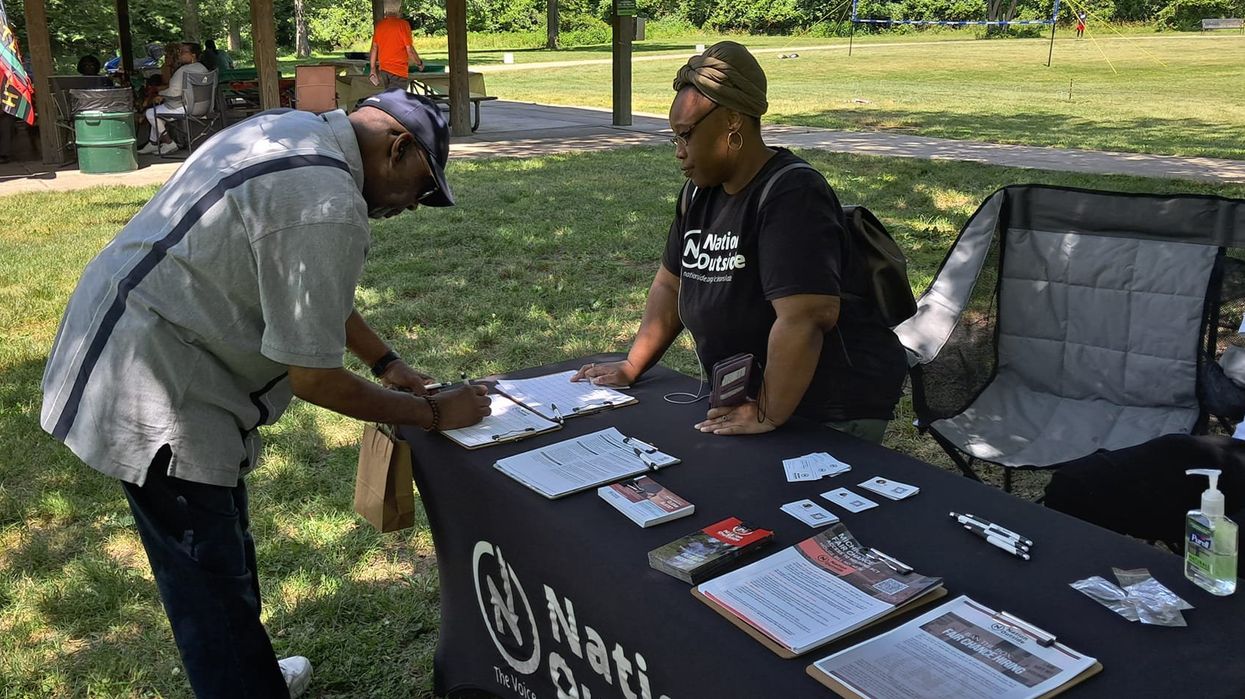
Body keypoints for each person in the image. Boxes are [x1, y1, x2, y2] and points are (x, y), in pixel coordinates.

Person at [41, 88, 490, 698]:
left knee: (221, 544)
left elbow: (304, 290)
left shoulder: (290, 130)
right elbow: (314, 379)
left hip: (137, 342)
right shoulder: (325, 202)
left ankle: (244, 668)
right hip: (159, 388)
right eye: (422, 185)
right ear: (398, 147)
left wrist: (386, 361)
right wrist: (433, 412)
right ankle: (237, 676)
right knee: (205, 577)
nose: (416, 203)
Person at [572, 42, 907, 443]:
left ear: (732, 121)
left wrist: (768, 411)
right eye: (673, 139)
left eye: (686, 136)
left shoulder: (792, 193)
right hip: (757, 397)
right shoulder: (697, 193)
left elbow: (806, 316)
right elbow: (670, 284)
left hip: (828, 406)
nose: (679, 153)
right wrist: (631, 366)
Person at [137, 42, 208, 155]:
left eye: (183, 52)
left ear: (193, 55)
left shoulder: (183, 70)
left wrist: (160, 94)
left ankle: (169, 143)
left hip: (185, 107)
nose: (180, 55)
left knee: (151, 113)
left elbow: (173, 93)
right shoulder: (203, 68)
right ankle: (153, 143)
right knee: (158, 113)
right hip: (203, 106)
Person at [369, 0, 424, 89]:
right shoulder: (403, 25)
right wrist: (419, 63)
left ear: (385, 10)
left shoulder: (380, 26)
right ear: (399, 9)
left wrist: (372, 70)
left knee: (389, 98)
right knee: (398, 100)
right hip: (399, 70)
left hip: (383, 70)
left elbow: (374, 48)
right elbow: (409, 49)